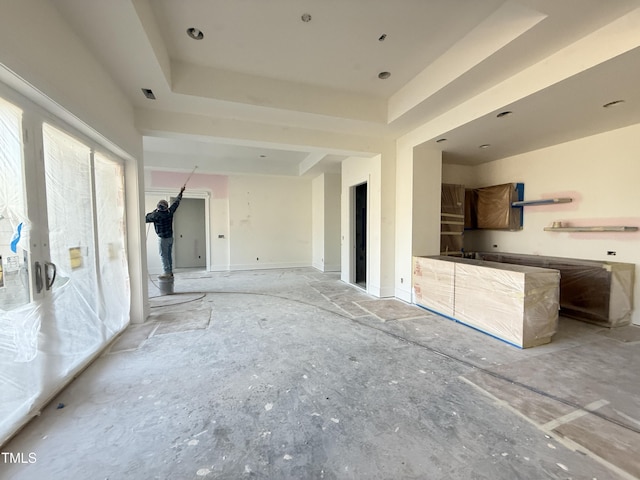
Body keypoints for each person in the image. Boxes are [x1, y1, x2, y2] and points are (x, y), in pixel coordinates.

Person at [145, 186, 185, 279]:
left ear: (158, 207)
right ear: (166, 207)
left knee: (163, 255)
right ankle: (169, 271)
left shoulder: (155, 215)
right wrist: (181, 192)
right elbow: (176, 202)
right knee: (168, 255)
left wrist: (154, 211)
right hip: (170, 238)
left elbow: (145, 218)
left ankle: (167, 272)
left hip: (163, 239)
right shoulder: (170, 212)